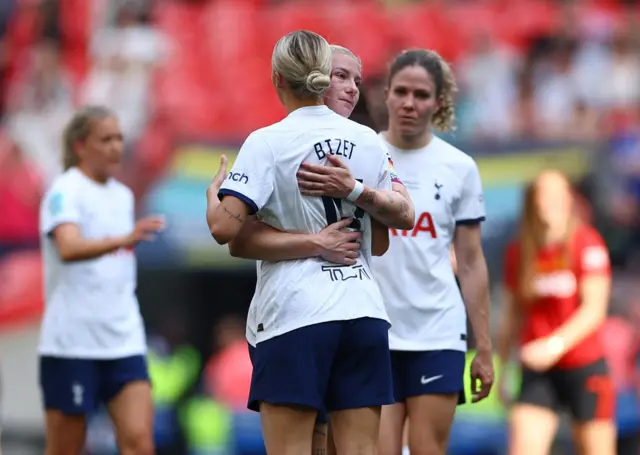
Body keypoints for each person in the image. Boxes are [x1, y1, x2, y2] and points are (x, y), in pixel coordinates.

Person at [206, 30, 412, 455]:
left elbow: (225, 230)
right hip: (363, 312)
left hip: (295, 315)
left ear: (278, 78)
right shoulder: (368, 141)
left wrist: (215, 197)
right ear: (324, 78)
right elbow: (384, 238)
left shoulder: (267, 142)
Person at [295, 49, 495, 455]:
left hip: (437, 330)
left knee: (427, 449)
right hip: (372, 327)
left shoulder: (459, 167)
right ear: (385, 95)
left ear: (439, 102)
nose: (409, 102)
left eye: (421, 94)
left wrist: (485, 349)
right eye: (400, 91)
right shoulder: (360, 151)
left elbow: (471, 262)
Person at [38, 106, 165, 455]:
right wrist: (122, 240)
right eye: (105, 139)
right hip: (73, 343)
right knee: (67, 448)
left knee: (139, 441)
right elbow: (67, 246)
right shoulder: (64, 191)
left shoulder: (122, 196)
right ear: (80, 146)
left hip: (123, 339)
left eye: (119, 139)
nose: (115, 147)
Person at [498, 170, 616, 455]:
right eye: (543, 194)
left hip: (583, 364)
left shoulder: (587, 243)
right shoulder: (520, 251)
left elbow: (594, 310)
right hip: (538, 370)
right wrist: (504, 371)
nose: (550, 202)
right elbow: (511, 316)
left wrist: (554, 346)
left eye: (558, 194)